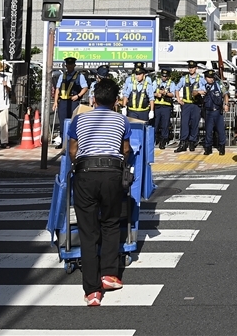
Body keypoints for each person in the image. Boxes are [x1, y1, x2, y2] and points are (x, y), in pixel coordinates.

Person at [67, 78, 132, 306]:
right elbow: (125, 150)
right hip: (112, 174)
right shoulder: (122, 121)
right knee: (111, 223)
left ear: (93, 98)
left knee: (88, 230)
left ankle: (92, 291)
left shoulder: (80, 119)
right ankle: (109, 274)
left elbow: (72, 151)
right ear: (116, 101)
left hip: (85, 173)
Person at [54, 58, 87, 147]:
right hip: (63, 102)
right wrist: (55, 102)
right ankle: (63, 142)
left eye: (71, 64)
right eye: (68, 65)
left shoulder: (80, 76)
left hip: (73, 102)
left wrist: (78, 95)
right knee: (62, 122)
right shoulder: (62, 76)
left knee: (73, 122)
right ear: (66, 66)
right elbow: (57, 89)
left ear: (74, 65)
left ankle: (73, 142)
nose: (69, 66)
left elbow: (85, 88)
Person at [175, 62, 203, 152]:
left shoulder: (201, 79)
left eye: (192, 67)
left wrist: (199, 92)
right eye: (189, 68)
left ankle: (192, 142)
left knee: (195, 124)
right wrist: (179, 99)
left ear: (196, 68)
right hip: (186, 105)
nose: (191, 69)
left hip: (196, 105)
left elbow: (205, 89)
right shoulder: (184, 78)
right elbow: (177, 88)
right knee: (184, 124)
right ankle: (183, 143)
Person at [199, 70, 228, 156]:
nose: (211, 79)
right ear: (205, 78)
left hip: (218, 111)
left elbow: (225, 94)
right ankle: (208, 148)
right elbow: (194, 92)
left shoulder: (219, 84)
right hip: (208, 112)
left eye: (212, 77)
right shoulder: (203, 85)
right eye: (209, 77)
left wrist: (226, 104)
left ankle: (222, 147)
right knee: (208, 131)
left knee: (221, 130)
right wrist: (198, 92)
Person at [152, 69, 175, 149]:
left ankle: (163, 141)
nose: (164, 77)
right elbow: (150, 92)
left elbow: (173, 94)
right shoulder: (156, 82)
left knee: (165, 125)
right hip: (157, 106)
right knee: (155, 124)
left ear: (168, 76)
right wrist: (157, 94)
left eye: (165, 76)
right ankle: (153, 140)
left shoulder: (171, 83)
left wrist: (166, 93)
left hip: (166, 107)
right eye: (162, 76)